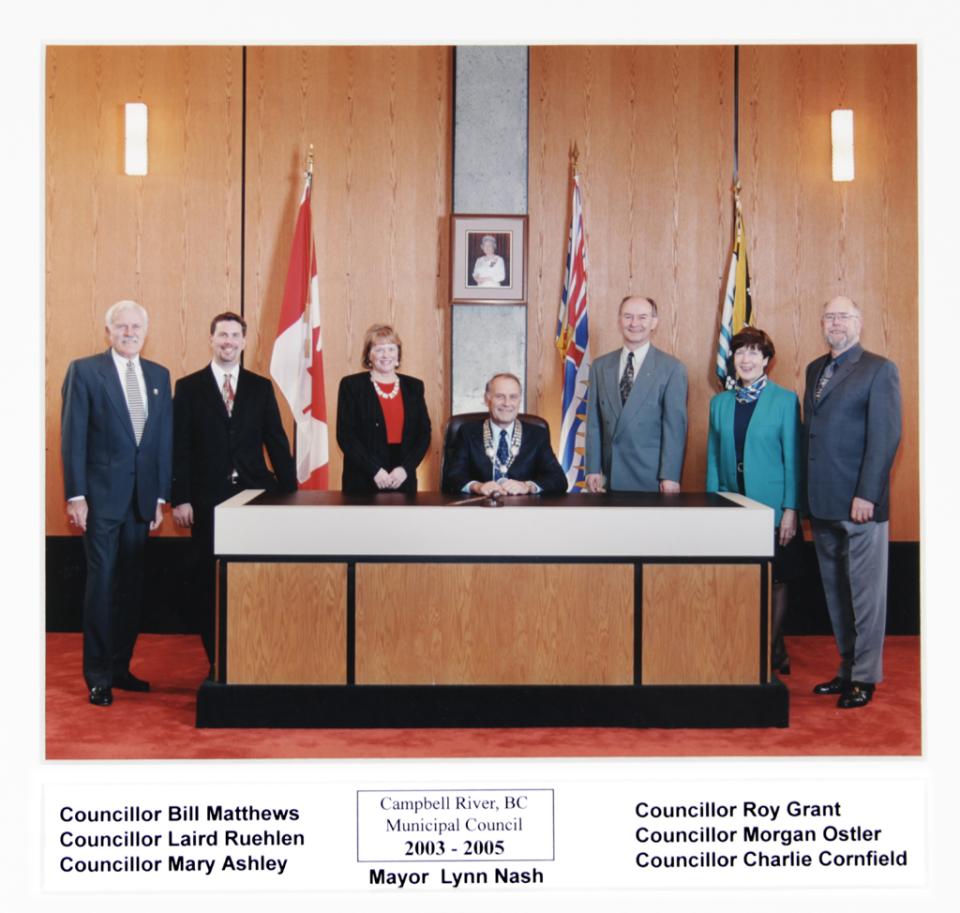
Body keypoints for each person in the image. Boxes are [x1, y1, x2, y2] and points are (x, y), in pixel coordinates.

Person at [61, 300, 172, 707]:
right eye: (121, 327)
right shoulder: (85, 371)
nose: (129, 333)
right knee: (103, 586)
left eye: (136, 327)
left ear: (145, 331)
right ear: (108, 331)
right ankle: (98, 676)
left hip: (142, 502)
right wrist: (76, 495)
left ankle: (120, 667)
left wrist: (159, 497)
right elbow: (73, 436)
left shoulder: (159, 375)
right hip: (100, 502)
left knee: (131, 589)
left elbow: (162, 440)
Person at [172, 311, 296, 668]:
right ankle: (218, 661)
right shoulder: (189, 387)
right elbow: (180, 446)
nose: (228, 342)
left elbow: (276, 442)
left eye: (234, 336)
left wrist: (292, 495)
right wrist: (180, 497)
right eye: (222, 335)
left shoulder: (260, 387)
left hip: (255, 498)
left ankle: (253, 656)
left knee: (254, 578)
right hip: (206, 500)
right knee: (209, 582)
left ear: (244, 341)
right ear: (211, 339)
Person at [803, 296, 902, 709]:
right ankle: (846, 669)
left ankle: (865, 677)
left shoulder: (879, 369)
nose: (836, 323)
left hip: (860, 505)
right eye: (830, 316)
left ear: (859, 323)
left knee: (865, 596)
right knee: (837, 595)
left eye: (844, 316)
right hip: (823, 503)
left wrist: (868, 494)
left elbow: (885, 437)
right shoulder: (815, 368)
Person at [706, 327, 802, 674]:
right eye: (740, 352)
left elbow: (793, 459)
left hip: (773, 507)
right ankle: (767, 647)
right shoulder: (720, 403)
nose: (745, 359)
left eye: (753, 352)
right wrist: (713, 505)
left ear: (766, 360)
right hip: (733, 506)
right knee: (743, 577)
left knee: (776, 579)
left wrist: (791, 509)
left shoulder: (785, 400)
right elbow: (713, 458)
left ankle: (768, 649)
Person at [584, 295, 688, 493]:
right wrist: (592, 468)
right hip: (608, 477)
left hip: (651, 478)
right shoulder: (600, 366)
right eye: (628, 316)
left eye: (642, 317)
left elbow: (674, 429)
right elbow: (594, 423)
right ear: (619, 321)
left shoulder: (671, 368)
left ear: (654, 323)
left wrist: (670, 476)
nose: (634, 323)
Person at [336, 324, 432, 494]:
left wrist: (405, 469)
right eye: (379, 349)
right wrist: (374, 470)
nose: (386, 355)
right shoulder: (352, 386)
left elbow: (424, 434)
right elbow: (346, 435)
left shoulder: (414, 387)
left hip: (402, 477)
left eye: (391, 349)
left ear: (398, 354)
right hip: (363, 477)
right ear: (369, 355)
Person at [442, 373, 567, 496]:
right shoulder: (467, 432)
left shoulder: (537, 435)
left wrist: (528, 486)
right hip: (481, 505)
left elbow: (558, 479)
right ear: (487, 399)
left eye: (513, 397)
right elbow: (451, 477)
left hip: (523, 507)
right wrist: (477, 486)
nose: (507, 403)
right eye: (499, 396)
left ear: (519, 400)